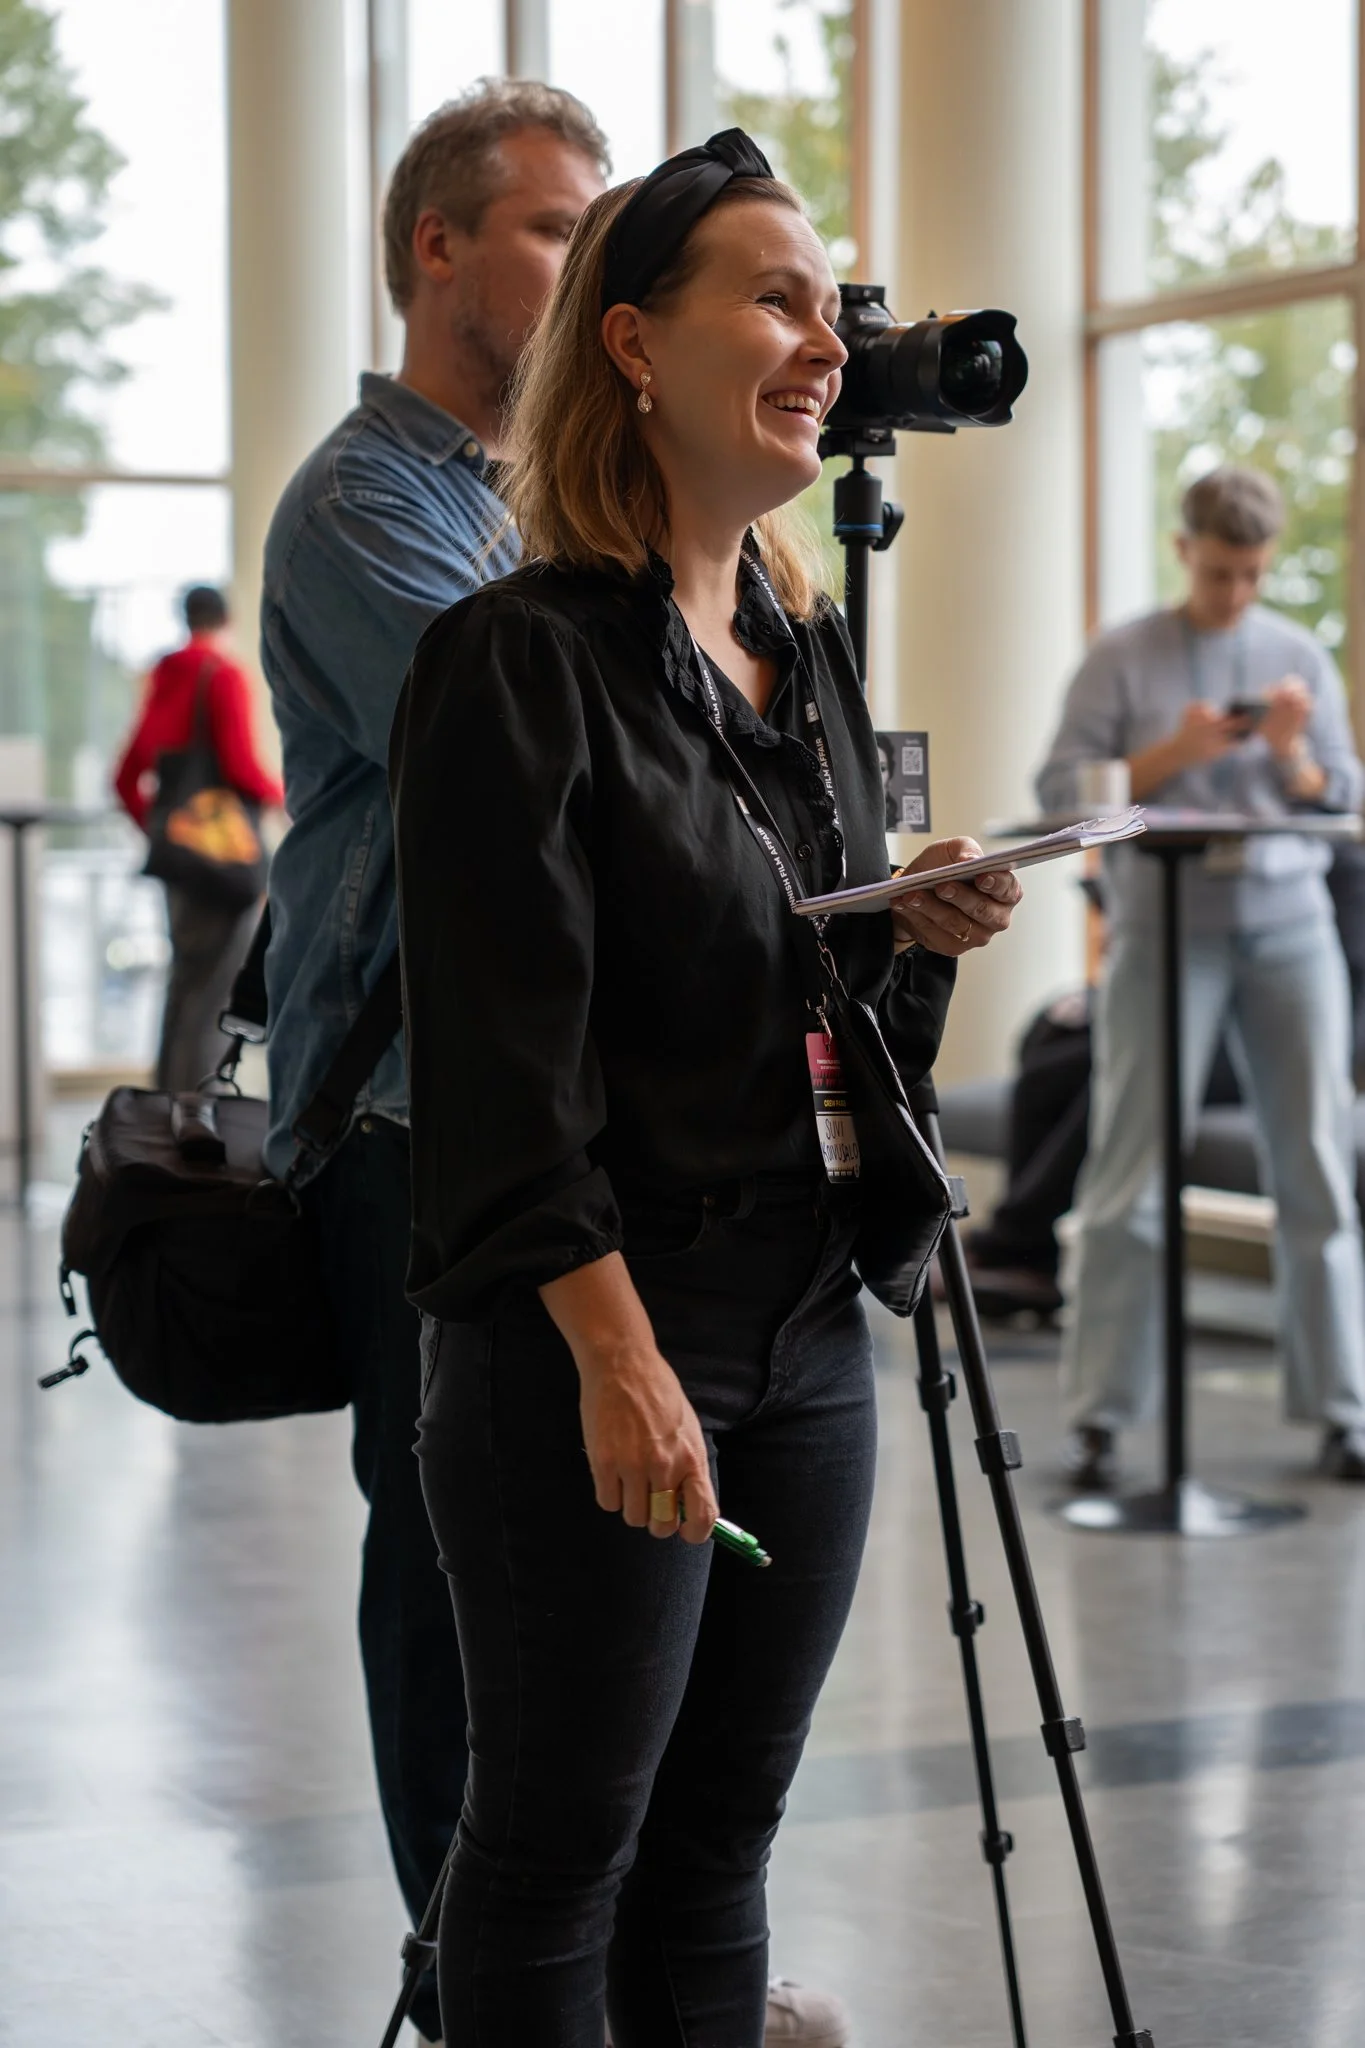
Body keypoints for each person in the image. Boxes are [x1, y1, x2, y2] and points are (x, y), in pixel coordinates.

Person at [391, 129, 1021, 2047]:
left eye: (828, 306)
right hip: (596, 1333)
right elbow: (506, 1068)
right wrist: (616, 1353)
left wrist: (911, 937)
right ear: (639, 346)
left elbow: (825, 1027)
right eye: (772, 295)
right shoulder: (515, 658)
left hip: (803, 1324)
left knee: (722, 1846)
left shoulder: (799, 649)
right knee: (558, 1845)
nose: (822, 339)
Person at [258, 82, 610, 2048]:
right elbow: (537, 752)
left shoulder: (535, 499)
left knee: (575, 1556)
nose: (580, 271)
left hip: (550, 1115)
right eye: (551, 229)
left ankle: (582, 1953)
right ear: (436, 247)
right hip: (408, 1122)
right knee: (452, 1558)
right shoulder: (362, 506)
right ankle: (462, 1963)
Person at [1037, 464, 1365, 1487]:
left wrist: (1294, 758)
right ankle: (1098, 1416)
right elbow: (1061, 798)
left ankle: (1343, 1410)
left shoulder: (1297, 654)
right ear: (1185, 552)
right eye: (1221, 571)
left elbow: (1340, 797)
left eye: (1254, 575)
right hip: (1163, 927)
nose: (1237, 594)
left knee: (1314, 1161)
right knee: (1128, 1168)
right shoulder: (1123, 658)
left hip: (1288, 926)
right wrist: (1168, 755)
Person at [113, 583, 283, 1092]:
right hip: (223, 864)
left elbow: (125, 776)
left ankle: (163, 1113)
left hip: (180, 866)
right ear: (224, 620)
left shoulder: (164, 676)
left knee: (183, 985)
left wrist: (166, 833)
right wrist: (286, 799)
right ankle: (195, 1121)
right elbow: (239, 766)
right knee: (215, 992)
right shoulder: (222, 673)